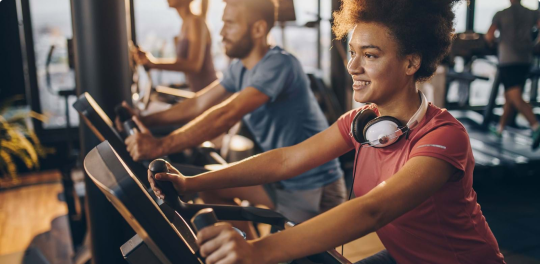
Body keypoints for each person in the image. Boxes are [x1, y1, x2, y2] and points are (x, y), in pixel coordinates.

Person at [148, 0, 507, 263]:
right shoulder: (362, 122)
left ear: (411, 62)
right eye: (352, 52)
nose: (353, 66)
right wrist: (189, 183)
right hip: (402, 256)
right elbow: (287, 159)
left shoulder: (444, 136)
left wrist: (258, 251)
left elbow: (373, 210)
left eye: (370, 55)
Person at [126, 0, 346, 239]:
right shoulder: (240, 68)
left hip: (313, 189)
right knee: (211, 185)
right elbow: (199, 102)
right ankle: (249, 247)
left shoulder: (280, 64)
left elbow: (226, 114)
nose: (221, 32)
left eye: (230, 24)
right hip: (280, 179)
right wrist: (144, 120)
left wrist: (160, 146)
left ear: (258, 29)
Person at [486, 0, 540, 150]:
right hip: (525, 59)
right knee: (510, 95)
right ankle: (500, 129)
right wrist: (536, 43)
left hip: (508, 59)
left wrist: (495, 43)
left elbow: (489, 35)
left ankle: (536, 126)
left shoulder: (501, 14)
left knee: (514, 95)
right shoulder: (532, 13)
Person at [135, 0, 217, 92]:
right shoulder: (185, 23)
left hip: (209, 91)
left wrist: (153, 63)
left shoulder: (195, 22)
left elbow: (194, 65)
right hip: (197, 91)